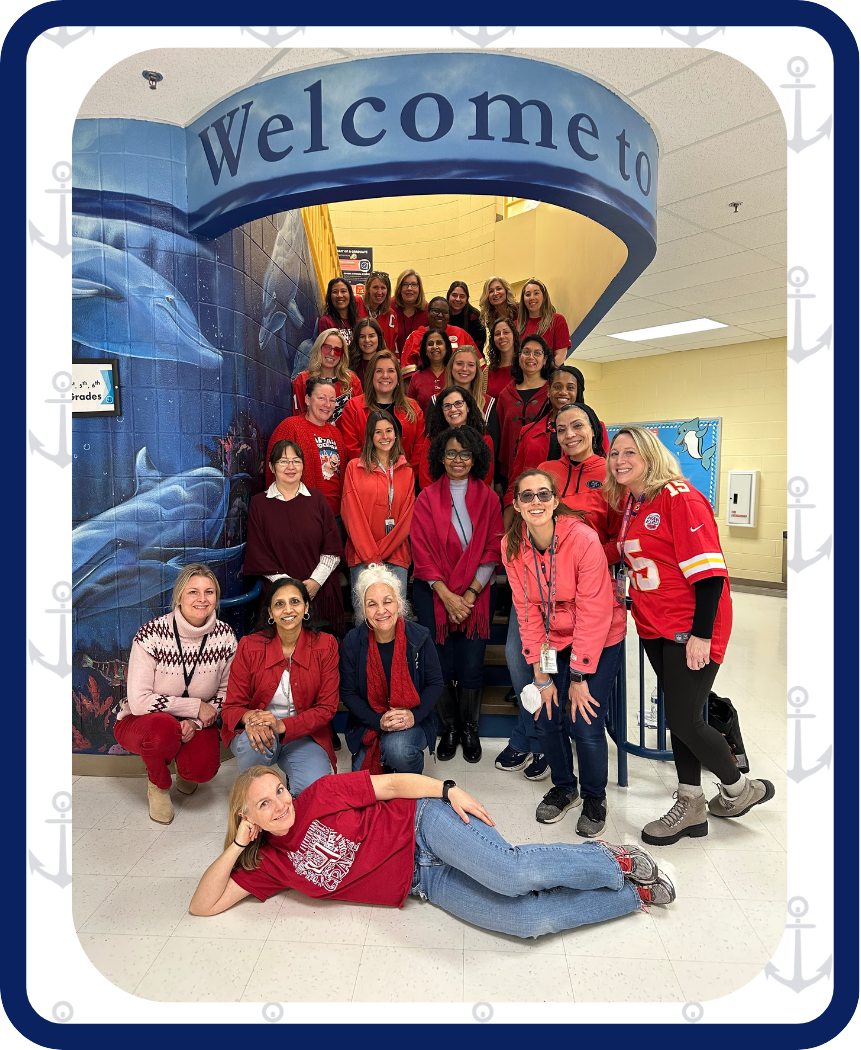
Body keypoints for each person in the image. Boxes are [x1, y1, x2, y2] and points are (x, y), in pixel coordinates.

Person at [189, 766, 676, 925]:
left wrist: (447, 790)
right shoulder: (268, 865)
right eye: (264, 804)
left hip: (423, 824)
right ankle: (633, 895)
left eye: (279, 790)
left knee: (511, 875)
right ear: (248, 817)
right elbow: (202, 905)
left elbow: (391, 786)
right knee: (526, 921)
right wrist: (236, 846)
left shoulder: (319, 794)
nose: (280, 803)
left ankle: (613, 859)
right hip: (423, 882)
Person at [605, 427, 775, 843]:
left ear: (651, 456)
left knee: (684, 718)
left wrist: (701, 635)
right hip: (653, 624)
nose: (620, 460)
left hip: (688, 625)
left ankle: (739, 788)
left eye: (630, 452)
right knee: (680, 717)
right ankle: (692, 804)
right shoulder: (633, 502)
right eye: (615, 453)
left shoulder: (678, 496)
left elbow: (711, 575)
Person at [502, 470, 627, 828]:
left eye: (544, 494)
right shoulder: (512, 546)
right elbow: (526, 612)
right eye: (527, 496)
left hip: (599, 635)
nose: (536, 501)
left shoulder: (583, 538)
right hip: (551, 637)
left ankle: (595, 797)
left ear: (556, 501)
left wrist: (579, 676)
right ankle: (564, 787)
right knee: (545, 714)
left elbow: (594, 611)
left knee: (584, 720)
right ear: (517, 505)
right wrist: (540, 675)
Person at [114, 564, 237, 825]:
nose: (202, 599)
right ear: (179, 597)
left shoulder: (225, 636)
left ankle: (185, 768)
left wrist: (195, 722)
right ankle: (158, 786)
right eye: (193, 592)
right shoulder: (151, 633)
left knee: (202, 771)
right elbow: (139, 701)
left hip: (194, 721)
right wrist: (194, 707)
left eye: (209, 592)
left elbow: (227, 692)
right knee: (164, 728)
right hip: (142, 721)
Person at [412, 426, 503, 764]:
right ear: (441, 457)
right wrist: (447, 596)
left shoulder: (490, 499)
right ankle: (449, 728)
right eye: (451, 453)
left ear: (475, 457)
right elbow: (421, 551)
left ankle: (469, 729)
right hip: (434, 593)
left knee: (471, 666)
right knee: (439, 665)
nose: (458, 459)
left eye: (465, 453)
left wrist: (470, 595)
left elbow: (493, 549)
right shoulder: (425, 498)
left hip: (476, 595)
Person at [221, 577, 338, 793]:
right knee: (251, 744)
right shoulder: (249, 646)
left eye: (295, 601)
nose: (288, 609)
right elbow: (231, 708)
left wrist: (282, 726)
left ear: (306, 607)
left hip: (304, 733)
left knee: (314, 792)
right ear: (270, 613)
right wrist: (251, 718)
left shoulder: (325, 645)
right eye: (279, 604)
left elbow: (326, 708)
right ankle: (254, 797)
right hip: (260, 730)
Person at [341, 565, 443, 773]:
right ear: (363, 609)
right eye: (372, 604)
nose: (381, 611)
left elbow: (435, 683)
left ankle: (409, 776)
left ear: (399, 603)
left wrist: (414, 715)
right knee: (363, 778)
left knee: (398, 749)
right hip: (369, 720)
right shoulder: (353, 641)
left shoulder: (419, 636)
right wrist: (377, 720)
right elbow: (348, 693)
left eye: (387, 601)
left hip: (413, 717)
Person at [244, 440, 344, 635]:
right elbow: (260, 555)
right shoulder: (259, 504)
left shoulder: (317, 499)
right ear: (272, 467)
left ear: (303, 466)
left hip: (319, 595)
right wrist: (291, 589)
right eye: (283, 461)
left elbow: (332, 548)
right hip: (279, 598)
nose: (290, 467)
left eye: (296, 461)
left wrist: (315, 582)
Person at [503, 366, 608, 526]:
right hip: (536, 512)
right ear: (548, 391)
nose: (563, 392)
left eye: (570, 387)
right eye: (557, 387)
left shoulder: (595, 428)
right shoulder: (528, 432)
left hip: (586, 515)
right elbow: (516, 482)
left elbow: (601, 467)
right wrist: (509, 525)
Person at [340, 411, 416, 597]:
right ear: (370, 436)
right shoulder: (354, 468)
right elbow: (352, 516)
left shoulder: (407, 472)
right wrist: (371, 556)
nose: (384, 436)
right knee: (365, 612)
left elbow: (406, 520)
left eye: (389, 431)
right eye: (378, 432)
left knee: (395, 611)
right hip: (362, 557)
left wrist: (380, 553)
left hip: (397, 556)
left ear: (396, 434)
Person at [540, 402, 620, 565]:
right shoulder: (545, 471)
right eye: (561, 430)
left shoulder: (612, 474)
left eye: (577, 426)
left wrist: (584, 563)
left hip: (594, 569)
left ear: (593, 430)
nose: (569, 435)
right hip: (547, 569)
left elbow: (620, 539)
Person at [337, 350, 425, 478]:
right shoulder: (353, 408)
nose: (385, 376)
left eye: (391, 371)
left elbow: (420, 448)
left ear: (398, 376)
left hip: (406, 480)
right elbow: (353, 449)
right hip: (367, 479)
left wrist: (405, 475)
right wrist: (377, 477)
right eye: (379, 371)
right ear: (371, 376)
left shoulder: (413, 408)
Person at [266, 377, 346, 517]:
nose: (327, 404)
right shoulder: (290, 427)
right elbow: (272, 472)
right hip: (302, 515)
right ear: (308, 400)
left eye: (332, 400)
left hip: (335, 516)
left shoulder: (336, 434)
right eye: (321, 398)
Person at [495, 333, 554, 489]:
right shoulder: (505, 396)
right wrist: (497, 479)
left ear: (545, 359)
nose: (531, 357)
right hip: (509, 475)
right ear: (519, 357)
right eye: (526, 352)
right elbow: (498, 438)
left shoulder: (553, 393)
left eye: (537, 353)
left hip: (546, 473)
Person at [419, 386, 495, 491]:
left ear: (468, 407)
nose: (453, 409)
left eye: (458, 403)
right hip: (436, 497)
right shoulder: (432, 439)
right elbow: (426, 478)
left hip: (476, 497)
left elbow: (485, 477)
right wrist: (436, 498)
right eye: (447, 406)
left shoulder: (484, 439)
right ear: (442, 411)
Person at [291, 330, 361, 423]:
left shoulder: (351, 380)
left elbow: (360, 418)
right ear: (318, 348)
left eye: (337, 350)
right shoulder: (303, 380)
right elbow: (298, 419)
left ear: (342, 355)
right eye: (327, 347)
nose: (331, 353)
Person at [399, 296, 476, 378]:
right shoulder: (415, 337)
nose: (440, 315)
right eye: (436, 311)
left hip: (457, 385)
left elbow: (478, 367)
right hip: (425, 384)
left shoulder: (461, 334)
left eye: (445, 312)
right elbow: (407, 376)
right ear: (428, 313)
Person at [518, 278, 571, 366]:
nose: (532, 297)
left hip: (550, 373)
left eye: (536, 293)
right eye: (528, 294)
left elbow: (560, 356)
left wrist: (541, 373)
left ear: (544, 297)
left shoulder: (557, 320)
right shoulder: (516, 325)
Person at [407, 328, 453, 411]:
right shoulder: (417, 377)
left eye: (439, 343)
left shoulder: (454, 373)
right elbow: (410, 409)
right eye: (430, 344)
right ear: (425, 350)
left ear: (446, 348)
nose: (434, 347)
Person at [392, 268, 428, 353]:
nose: (409, 288)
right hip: (391, 359)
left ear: (419, 288)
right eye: (405, 284)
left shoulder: (428, 310)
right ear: (399, 288)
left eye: (413, 285)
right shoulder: (389, 306)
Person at [361, 271, 398, 350]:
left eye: (383, 288)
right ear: (368, 289)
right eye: (375, 287)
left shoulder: (391, 314)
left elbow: (391, 346)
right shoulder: (356, 304)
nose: (379, 292)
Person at [446, 280, 486, 353]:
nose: (458, 299)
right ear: (448, 296)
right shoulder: (442, 314)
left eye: (462, 296)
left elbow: (478, 348)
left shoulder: (475, 317)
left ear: (467, 300)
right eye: (454, 295)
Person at [317, 277, 360, 345]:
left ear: (350, 294)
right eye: (335, 292)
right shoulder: (326, 321)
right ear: (330, 296)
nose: (339, 295)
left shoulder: (357, 321)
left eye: (343, 291)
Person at [347, 317, 386, 390]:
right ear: (357, 339)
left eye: (371, 336)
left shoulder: (388, 362)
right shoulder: (349, 365)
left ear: (379, 337)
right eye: (362, 336)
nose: (367, 340)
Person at [486, 317, 519, 400]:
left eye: (506, 332)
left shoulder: (525, 368)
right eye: (497, 334)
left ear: (514, 335)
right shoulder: (487, 372)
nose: (501, 336)